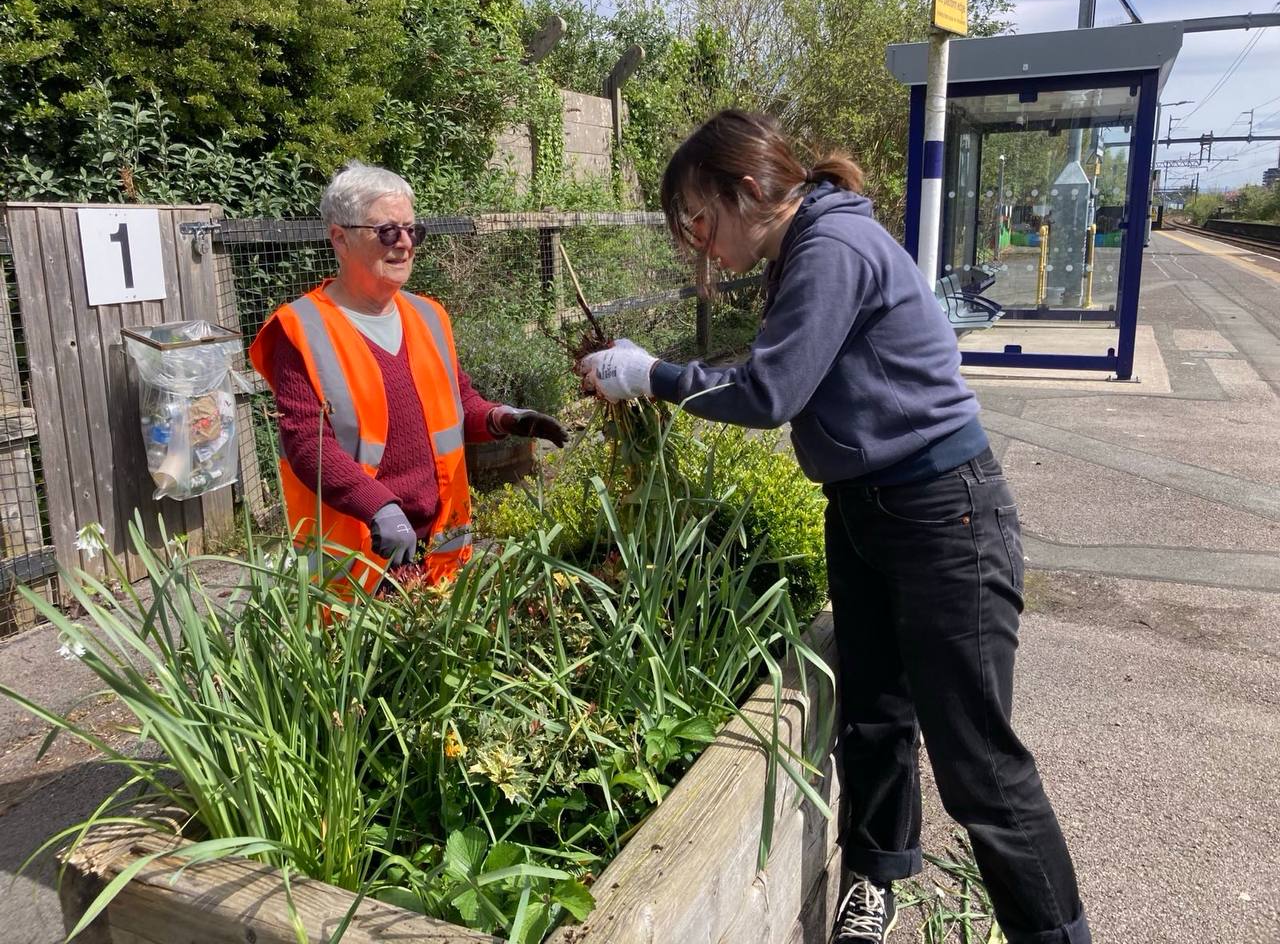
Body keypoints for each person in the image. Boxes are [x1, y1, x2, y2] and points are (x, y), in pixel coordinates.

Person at [577, 111, 1090, 944]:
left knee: (979, 765)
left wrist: (650, 375)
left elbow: (770, 392)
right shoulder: (803, 248)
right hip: (865, 509)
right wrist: (655, 369)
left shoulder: (831, 248)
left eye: (701, 222)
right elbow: (777, 370)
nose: (702, 246)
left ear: (749, 191)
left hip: (941, 515)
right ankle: (875, 882)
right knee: (875, 715)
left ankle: (1056, 936)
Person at [250, 161, 567, 590]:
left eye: (411, 230)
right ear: (340, 239)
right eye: (386, 231)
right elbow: (308, 444)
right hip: (363, 551)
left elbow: (459, 405)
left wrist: (504, 419)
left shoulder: (427, 316)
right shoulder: (301, 329)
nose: (403, 243)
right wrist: (377, 506)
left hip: (437, 546)